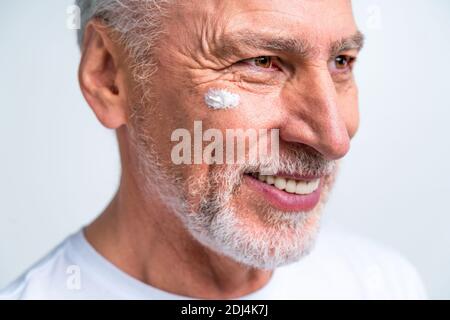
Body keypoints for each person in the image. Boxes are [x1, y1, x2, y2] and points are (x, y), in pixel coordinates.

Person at [1, 0, 426, 299]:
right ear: (110, 75)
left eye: (341, 62)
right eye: (261, 61)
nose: (335, 138)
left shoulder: (386, 285)